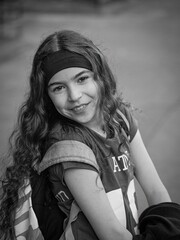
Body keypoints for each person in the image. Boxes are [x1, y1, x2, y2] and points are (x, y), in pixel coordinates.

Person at [0, 30, 171, 240]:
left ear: (100, 76)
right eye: (59, 88)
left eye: (82, 79)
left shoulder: (120, 118)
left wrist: (170, 224)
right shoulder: (69, 148)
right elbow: (110, 233)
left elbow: (156, 191)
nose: (74, 96)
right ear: (46, 97)